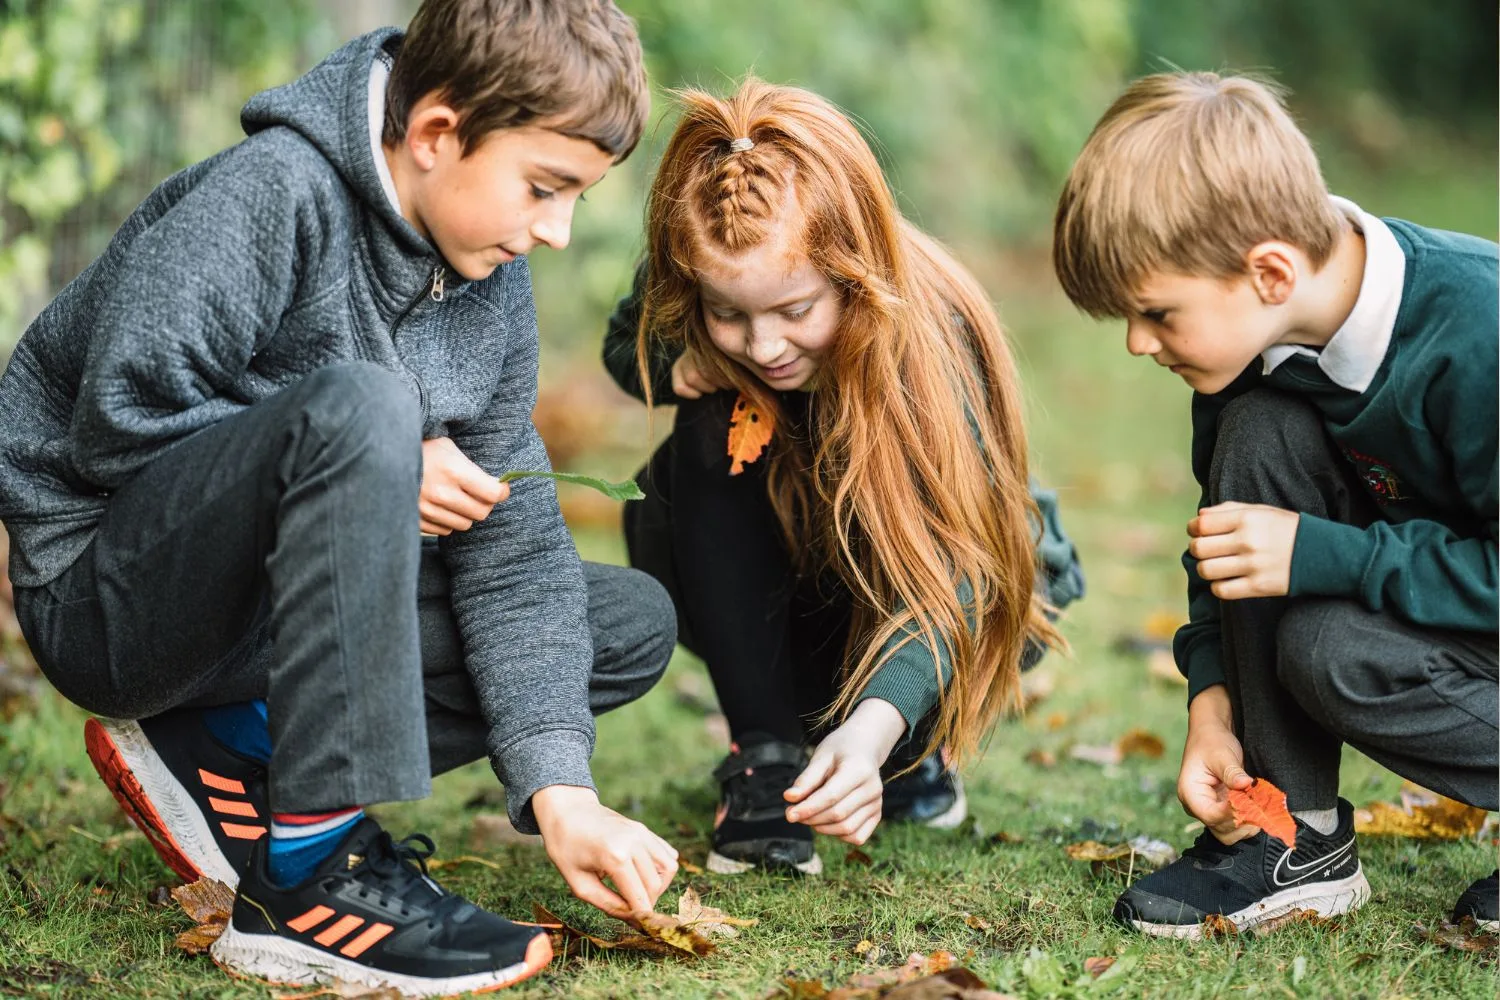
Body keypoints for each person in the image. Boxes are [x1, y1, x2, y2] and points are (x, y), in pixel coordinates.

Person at [0, 1, 683, 993]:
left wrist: (561, 792)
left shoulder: (491, 281)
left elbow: (514, 549)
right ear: (438, 132)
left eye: (577, 197)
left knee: (623, 623)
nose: (559, 231)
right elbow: (116, 423)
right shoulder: (275, 192)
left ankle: (226, 746)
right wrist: (383, 455)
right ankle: (306, 879)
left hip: (262, 621)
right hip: (112, 594)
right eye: (543, 188)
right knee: (365, 409)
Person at [1052, 71, 1498, 937]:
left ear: (1269, 271)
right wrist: (1211, 699)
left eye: (1157, 313)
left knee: (1333, 651)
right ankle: (1292, 836)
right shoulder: (1249, 354)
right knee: (1263, 439)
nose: (1139, 343)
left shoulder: (1478, 334)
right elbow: (1227, 542)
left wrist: (1330, 556)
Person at [602, 79, 1085, 877]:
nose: (763, 346)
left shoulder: (931, 341)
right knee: (711, 421)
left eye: (795, 311)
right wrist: (677, 361)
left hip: (956, 589)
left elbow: (965, 571)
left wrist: (873, 730)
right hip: (788, 583)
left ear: (855, 274)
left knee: (910, 657)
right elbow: (630, 343)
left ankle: (908, 745)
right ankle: (763, 757)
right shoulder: (705, 251)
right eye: (728, 315)